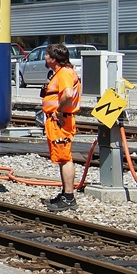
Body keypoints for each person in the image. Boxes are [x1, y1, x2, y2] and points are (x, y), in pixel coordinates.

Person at [41, 43, 81, 211]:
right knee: (62, 158)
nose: (44, 57)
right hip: (59, 119)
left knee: (65, 158)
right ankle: (66, 193)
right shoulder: (62, 72)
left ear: (54, 59)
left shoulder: (64, 73)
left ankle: (69, 197)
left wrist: (58, 111)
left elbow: (68, 94)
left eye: (47, 54)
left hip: (60, 121)